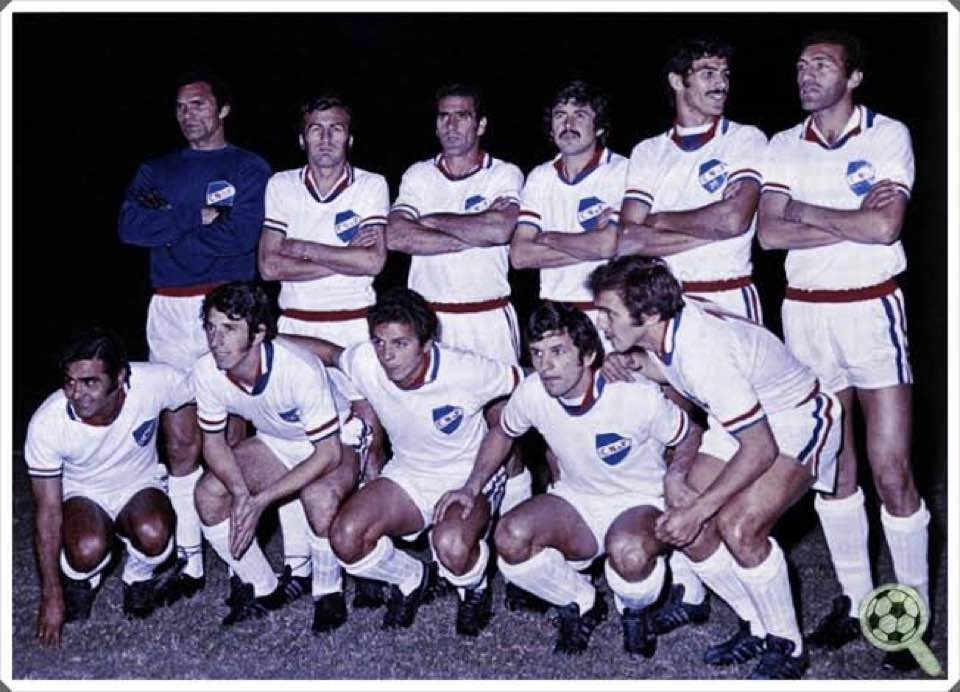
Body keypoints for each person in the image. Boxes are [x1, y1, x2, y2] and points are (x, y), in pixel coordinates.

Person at [757, 30, 928, 671]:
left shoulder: (888, 135)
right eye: (801, 65)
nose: (806, 75)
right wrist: (840, 213)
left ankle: (907, 613)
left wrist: (808, 210)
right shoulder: (781, 145)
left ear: (853, 77)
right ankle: (859, 603)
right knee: (836, 469)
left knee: (892, 470)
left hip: (871, 308)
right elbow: (771, 235)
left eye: (822, 64)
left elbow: (886, 226)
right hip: (805, 316)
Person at [589, 257, 842, 680]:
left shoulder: (704, 352)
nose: (602, 323)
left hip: (798, 416)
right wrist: (635, 364)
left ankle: (788, 645)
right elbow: (670, 366)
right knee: (679, 503)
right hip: (744, 417)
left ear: (648, 314)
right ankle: (756, 623)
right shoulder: (667, 327)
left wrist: (700, 509)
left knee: (739, 525)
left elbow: (759, 448)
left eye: (609, 313)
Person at [436, 302, 696, 657]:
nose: (545, 365)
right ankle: (581, 601)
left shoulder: (635, 394)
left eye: (558, 352)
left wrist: (677, 477)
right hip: (578, 500)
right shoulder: (532, 391)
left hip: (638, 501)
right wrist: (471, 486)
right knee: (510, 538)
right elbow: (503, 432)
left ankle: (634, 610)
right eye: (538, 353)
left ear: (589, 355)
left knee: (629, 553)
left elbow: (689, 434)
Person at [616, 36, 768, 634]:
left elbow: (736, 219)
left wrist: (658, 226)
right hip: (664, 316)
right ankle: (694, 585)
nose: (719, 83)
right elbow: (627, 240)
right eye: (706, 73)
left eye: (725, 73)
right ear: (677, 81)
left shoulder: (746, 139)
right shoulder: (649, 152)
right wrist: (689, 226)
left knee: (734, 444)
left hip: (729, 301)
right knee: (677, 445)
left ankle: (752, 576)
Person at [117, 70, 271, 601]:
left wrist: (178, 230)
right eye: (181, 106)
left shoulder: (248, 167)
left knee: (231, 437)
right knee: (181, 439)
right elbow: (130, 228)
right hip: (167, 307)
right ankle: (190, 561)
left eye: (200, 104)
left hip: (226, 306)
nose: (189, 115)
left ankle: (240, 561)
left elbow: (242, 235)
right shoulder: (156, 169)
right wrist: (197, 214)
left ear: (223, 109)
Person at [386, 84, 538, 610]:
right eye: (444, 117)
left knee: (507, 428)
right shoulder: (417, 175)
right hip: (431, 325)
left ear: (481, 124)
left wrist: (433, 222)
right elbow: (397, 237)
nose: (452, 125)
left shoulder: (505, 173)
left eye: (463, 116)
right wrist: (470, 232)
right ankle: (440, 537)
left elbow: (503, 226)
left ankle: (516, 557)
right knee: (426, 423)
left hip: (487, 315)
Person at [302, 288, 523, 635]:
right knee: (345, 538)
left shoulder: (466, 369)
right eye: (379, 342)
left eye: (400, 344)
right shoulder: (366, 361)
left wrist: (476, 479)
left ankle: (475, 590)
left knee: (450, 545)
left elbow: (527, 383)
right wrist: (262, 338)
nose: (387, 355)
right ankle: (412, 577)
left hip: (465, 476)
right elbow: (329, 354)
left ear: (425, 344)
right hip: (408, 473)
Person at [257, 94, 388, 602]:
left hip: (356, 325)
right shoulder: (282, 186)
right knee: (299, 440)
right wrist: (343, 256)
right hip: (295, 326)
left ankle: (371, 555)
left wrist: (303, 247)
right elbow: (269, 267)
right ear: (301, 136)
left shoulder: (372, 184)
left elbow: (374, 263)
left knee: (370, 438)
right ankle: (304, 565)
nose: (326, 138)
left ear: (350, 137)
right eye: (316, 129)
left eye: (336, 129)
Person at [191, 282, 361, 633]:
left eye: (229, 328)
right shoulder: (206, 370)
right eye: (211, 327)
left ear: (258, 334)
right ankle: (262, 588)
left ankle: (328, 591)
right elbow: (214, 443)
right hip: (277, 440)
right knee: (209, 493)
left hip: (337, 438)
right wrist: (240, 493)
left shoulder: (298, 368)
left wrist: (260, 501)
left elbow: (327, 454)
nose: (216, 340)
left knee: (320, 496)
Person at [24, 328, 192, 646]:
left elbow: (199, 396)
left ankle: (138, 579)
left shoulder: (156, 382)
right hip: (83, 492)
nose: (77, 393)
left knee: (154, 532)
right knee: (86, 548)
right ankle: (78, 580)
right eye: (70, 382)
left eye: (90, 382)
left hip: (139, 484)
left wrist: (185, 454)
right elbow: (46, 513)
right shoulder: (47, 424)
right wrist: (51, 594)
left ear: (120, 377)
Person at [509, 80, 628, 339]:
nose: (568, 125)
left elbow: (608, 245)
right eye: (560, 116)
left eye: (580, 115)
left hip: (607, 315)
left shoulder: (622, 171)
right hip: (553, 314)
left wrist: (547, 237)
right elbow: (520, 256)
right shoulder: (540, 176)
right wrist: (592, 244)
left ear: (599, 127)